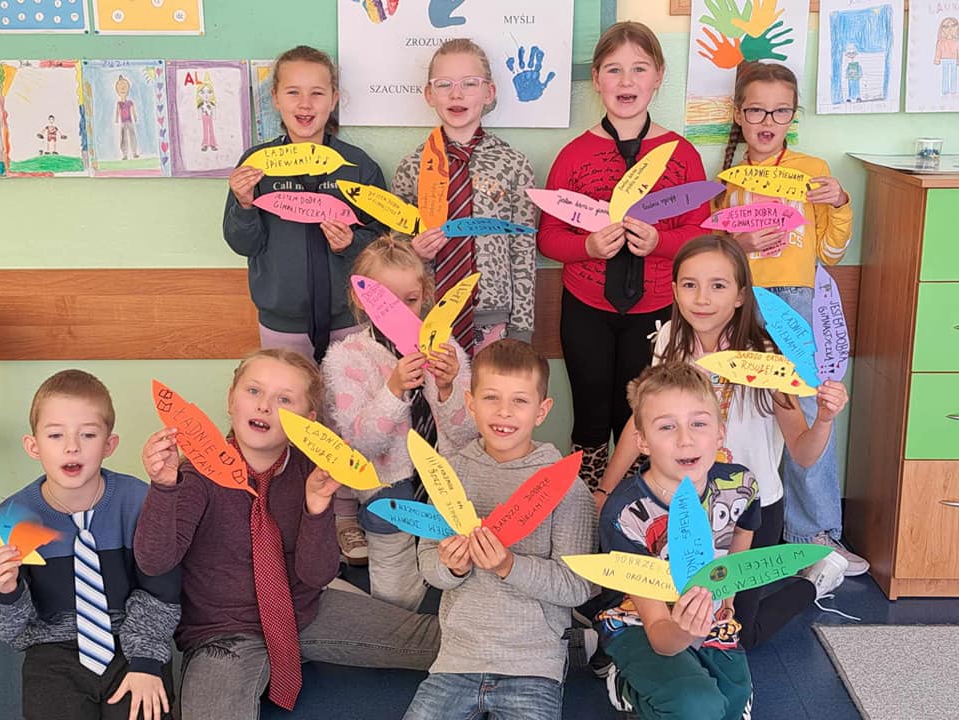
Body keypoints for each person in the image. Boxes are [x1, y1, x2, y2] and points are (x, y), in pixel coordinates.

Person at [135, 348, 440, 719]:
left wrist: (316, 508)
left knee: (439, 640)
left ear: (307, 421)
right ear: (231, 399)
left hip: (303, 610)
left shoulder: (309, 472)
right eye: (254, 391)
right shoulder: (197, 476)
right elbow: (154, 561)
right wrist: (163, 487)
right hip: (224, 632)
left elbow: (317, 574)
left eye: (284, 400)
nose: (264, 406)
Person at [595, 235, 850, 649]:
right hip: (681, 502)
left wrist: (823, 418)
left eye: (718, 285)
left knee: (736, 635)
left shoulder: (767, 356)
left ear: (740, 295)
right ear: (675, 290)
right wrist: (606, 489)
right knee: (676, 614)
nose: (702, 298)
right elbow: (640, 420)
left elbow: (803, 453)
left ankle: (814, 582)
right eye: (690, 284)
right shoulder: (670, 341)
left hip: (750, 510)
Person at [224, 45, 389, 564]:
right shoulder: (257, 165)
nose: (305, 103)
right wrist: (244, 203)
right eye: (293, 91)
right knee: (283, 416)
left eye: (317, 92)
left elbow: (385, 244)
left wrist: (352, 245)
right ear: (275, 98)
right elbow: (242, 242)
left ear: (334, 98)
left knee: (344, 417)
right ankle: (283, 513)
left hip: (346, 319)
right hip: (283, 320)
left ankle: (343, 515)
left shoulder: (359, 166)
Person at [537, 21, 710, 489]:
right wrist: (587, 247)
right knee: (590, 415)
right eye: (614, 70)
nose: (626, 80)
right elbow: (548, 237)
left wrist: (661, 243)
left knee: (647, 418)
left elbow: (700, 234)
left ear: (659, 76)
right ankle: (585, 505)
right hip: (586, 308)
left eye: (639, 69)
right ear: (596, 79)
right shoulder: (574, 155)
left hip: (657, 310)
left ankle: (637, 508)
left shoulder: (681, 155)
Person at [716, 61, 866, 575]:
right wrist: (738, 244)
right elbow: (714, 257)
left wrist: (840, 201)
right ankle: (731, 531)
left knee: (806, 407)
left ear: (793, 116)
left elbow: (832, 251)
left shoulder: (812, 169)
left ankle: (815, 535)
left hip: (797, 302)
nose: (768, 121)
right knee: (737, 410)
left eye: (780, 112)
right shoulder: (728, 181)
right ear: (739, 113)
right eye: (757, 110)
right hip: (740, 304)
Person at [404, 339, 596, 720]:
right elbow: (428, 563)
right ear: (470, 403)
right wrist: (451, 567)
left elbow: (578, 587)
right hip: (456, 660)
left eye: (519, 401)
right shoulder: (450, 474)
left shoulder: (566, 486)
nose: (504, 412)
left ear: (542, 411)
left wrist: (509, 566)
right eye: (491, 397)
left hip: (533, 665)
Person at [0, 370, 179, 720]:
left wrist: (146, 661)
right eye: (55, 435)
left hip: (131, 645)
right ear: (33, 446)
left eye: (88, 434)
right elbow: (11, 630)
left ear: (109, 445)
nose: (72, 447)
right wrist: (7, 592)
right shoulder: (12, 517)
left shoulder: (139, 501)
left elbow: (162, 587)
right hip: (51, 654)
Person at [321, 237, 477, 611]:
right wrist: (393, 390)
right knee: (394, 589)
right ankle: (394, 629)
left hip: (446, 479)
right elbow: (362, 446)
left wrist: (447, 388)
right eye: (386, 302)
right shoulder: (347, 358)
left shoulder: (446, 347)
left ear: (425, 296)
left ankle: (449, 627)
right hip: (388, 485)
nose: (400, 312)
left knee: (455, 570)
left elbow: (468, 433)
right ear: (360, 299)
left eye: (410, 300)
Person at [597, 363, 757, 720]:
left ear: (720, 433)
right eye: (667, 427)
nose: (685, 439)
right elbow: (659, 635)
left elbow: (742, 530)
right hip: (639, 622)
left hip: (707, 614)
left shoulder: (740, 485)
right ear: (642, 441)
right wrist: (685, 630)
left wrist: (727, 601)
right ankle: (625, 685)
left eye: (698, 423)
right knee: (699, 708)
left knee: (732, 705)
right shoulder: (625, 515)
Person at [392, 38, 537, 356]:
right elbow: (395, 247)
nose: (456, 94)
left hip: (493, 318)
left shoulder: (514, 164)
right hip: (429, 315)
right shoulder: (412, 166)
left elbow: (523, 251)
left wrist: (522, 327)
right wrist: (413, 252)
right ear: (429, 94)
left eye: (469, 83)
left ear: (489, 92)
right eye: (444, 84)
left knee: (491, 388)